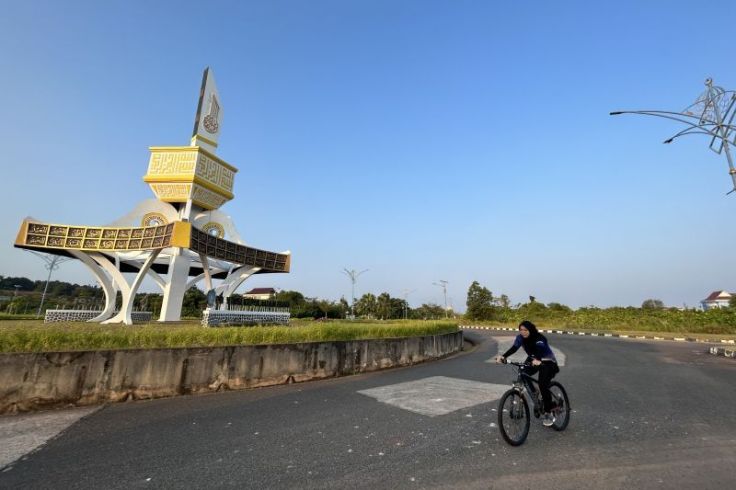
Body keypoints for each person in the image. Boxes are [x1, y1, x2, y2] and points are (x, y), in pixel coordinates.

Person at [496, 320, 560, 426]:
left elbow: (540, 349)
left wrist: (538, 359)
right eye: (521, 330)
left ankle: (549, 412)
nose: (523, 332)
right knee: (523, 372)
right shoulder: (520, 338)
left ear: (530, 329)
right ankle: (534, 393)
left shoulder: (539, 338)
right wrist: (504, 357)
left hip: (547, 362)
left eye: (525, 330)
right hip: (533, 359)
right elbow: (514, 348)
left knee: (543, 385)